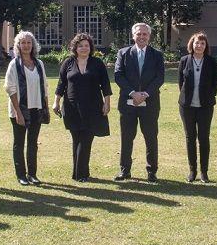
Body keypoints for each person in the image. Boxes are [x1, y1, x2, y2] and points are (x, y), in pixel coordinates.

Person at [53, 33, 112, 182]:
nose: (84, 48)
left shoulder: (97, 63)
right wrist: (56, 102)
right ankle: (80, 173)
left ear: (90, 47)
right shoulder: (68, 63)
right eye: (80, 46)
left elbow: (105, 84)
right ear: (75, 47)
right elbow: (61, 84)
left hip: (93, 108)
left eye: (86, 45)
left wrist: (107, 102)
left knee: (86, 140)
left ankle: (79, 174)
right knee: (77, 140)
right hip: (72, 107)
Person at [114, 23, 165, 182]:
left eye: (145, 34)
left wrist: (145, 94)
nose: (141, 37)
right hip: (128, 103)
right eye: (139, 34)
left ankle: (152, 171)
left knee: (151, 138)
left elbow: (160, 77)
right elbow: (118, 75)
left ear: (149, 36)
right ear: (133, 35)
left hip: (150, 103)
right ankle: (125, 170)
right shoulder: (123, 53)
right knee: (127, 137)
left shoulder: (157, 55)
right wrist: (133, 93)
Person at [5, 31, 50, 185]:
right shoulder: (14, 64)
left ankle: (32, 174)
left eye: (29, 42)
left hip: (36, 108)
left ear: (33, 45)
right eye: (23, 43)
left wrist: (46, 108)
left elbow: (44, 86)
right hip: (19, 110)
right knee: (19, 143)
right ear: (18, 45)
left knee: (33, 143)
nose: (26, 45)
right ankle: (21, 176)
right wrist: (18, 112)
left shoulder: (39, 64)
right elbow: (10, 88)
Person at [178, 31, 217, 182]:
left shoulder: (211, 62)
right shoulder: (184, 60)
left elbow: (216, 83)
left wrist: (208, 96)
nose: (199, 45)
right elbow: (180, 82)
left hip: (205, 106)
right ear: (192, 44)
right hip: (187, 106)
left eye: (202, 43)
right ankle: (192, 171)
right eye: (197, 42)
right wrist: (187, 98)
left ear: (206, 45)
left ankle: (204, 172)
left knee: (204, 138)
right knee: (190, 138)